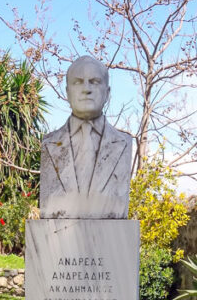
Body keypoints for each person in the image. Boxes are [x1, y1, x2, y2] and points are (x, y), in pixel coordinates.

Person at [39, 56, 132, 219]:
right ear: (67, 92)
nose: (86, 89)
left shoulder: (123, 143)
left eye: (94, 81)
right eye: (78, 82)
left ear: (107, 92)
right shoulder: (49, 144)